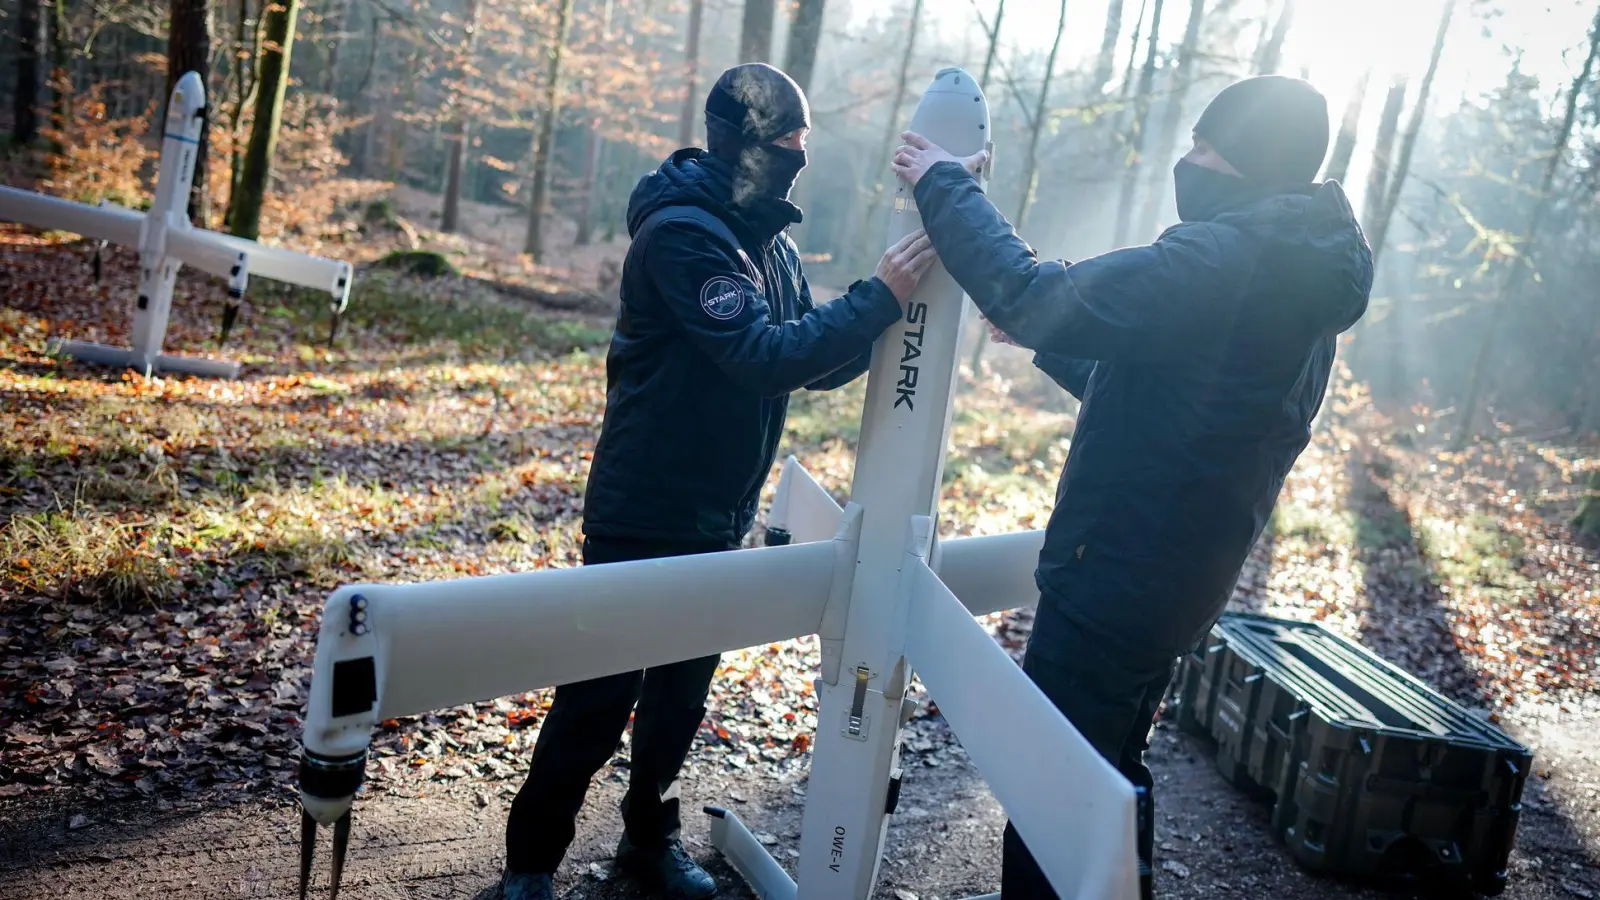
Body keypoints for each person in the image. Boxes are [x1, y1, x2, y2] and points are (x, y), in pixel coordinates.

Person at [889, 75, 1373, 899]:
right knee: (1107, 766)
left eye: (1207, 146)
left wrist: (946, 183)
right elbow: (1192, 401)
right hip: (1175, 579)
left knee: (1055, 783)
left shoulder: (1224, 257)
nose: (1190, 160)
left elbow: (1038, 293)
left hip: (1115, 575)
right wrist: (1051, 339)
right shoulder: (1299, 274)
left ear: (1252, 161)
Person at [499, 62, 941, 900]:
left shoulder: (762, 238)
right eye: (786, 145)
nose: (798, 161)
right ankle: (529, 870)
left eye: (805, 146)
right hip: (646, 508)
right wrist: (877, 298)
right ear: (742, 142)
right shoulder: (683, 234)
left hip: (717, 511)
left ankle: (646, 845)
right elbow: (759, 357)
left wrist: (884, 316)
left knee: (680, 699)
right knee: (598, 700)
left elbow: (804, 358)